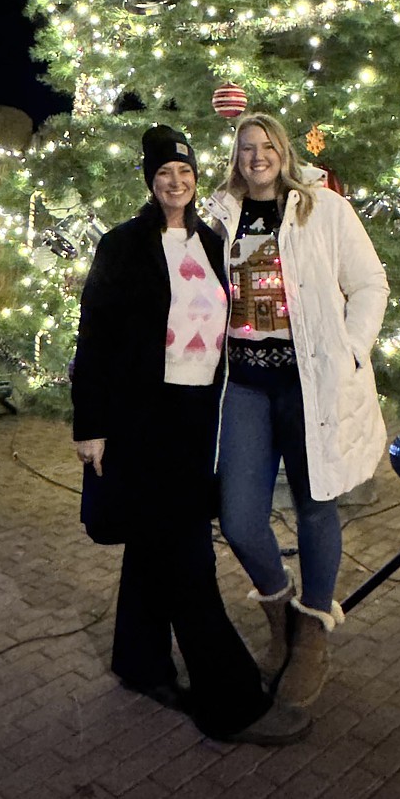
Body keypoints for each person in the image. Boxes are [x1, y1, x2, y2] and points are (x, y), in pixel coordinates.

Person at [72, 125, 311, 745]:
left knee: (156, 543)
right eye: (163, 175)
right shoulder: (122, 246)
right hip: (140, 420)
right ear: (149, 181)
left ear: (196, 177)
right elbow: (93, 336)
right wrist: (90, 426)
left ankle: (139, 662)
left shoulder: (211, 240)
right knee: (188, 555)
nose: (176, 183)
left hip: (198, 416)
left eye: (185, 173)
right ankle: (230, 700)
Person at [208, 112, 389, 707]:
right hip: (246, 384)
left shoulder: (323, 208)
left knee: (316, 505)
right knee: (238, 518)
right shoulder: (220, 216)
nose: (256, 157)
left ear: (283, 152)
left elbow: (369, 284)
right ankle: (278, 607)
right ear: (235, 157)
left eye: (265, 146)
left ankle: (311, 631)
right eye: (245, 148)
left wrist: (352, 351)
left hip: (309, 382)